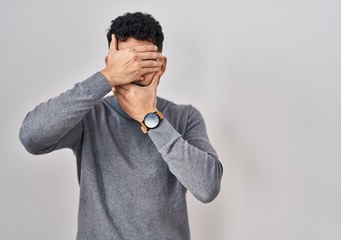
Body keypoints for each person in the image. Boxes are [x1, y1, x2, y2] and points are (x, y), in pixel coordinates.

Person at [19, 12, 223, 240]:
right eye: (126, 64)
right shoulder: (90, 114)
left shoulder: (184, 116)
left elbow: (207, 187)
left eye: (143, 63)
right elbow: (31, 137)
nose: (134, 74)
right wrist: (105, 78)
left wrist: (150, 118)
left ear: (161, 66)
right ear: (110, 63)